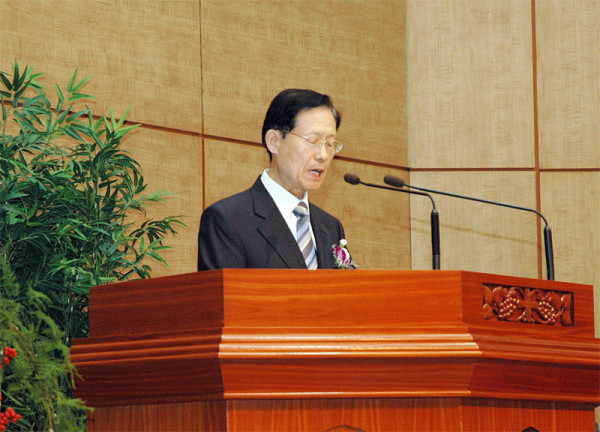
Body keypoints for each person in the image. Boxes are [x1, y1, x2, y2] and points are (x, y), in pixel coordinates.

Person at [197, 88, 351, 270]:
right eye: (312, 140)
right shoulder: (228, 220)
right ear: (274, 141)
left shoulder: (331, 227)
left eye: (330, 144)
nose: (323, 155)